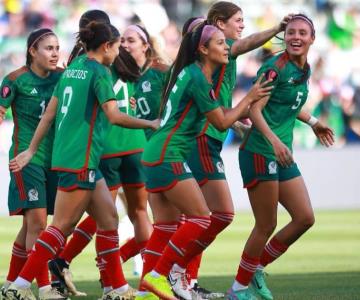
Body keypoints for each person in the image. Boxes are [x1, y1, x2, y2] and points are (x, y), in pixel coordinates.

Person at [6, 21, 158, 300]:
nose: (118, 51)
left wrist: (31, 149)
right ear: (106, 47)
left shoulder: (72, 70)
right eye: (116, 46)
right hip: (81, 159)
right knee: (61, 225)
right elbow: (114, 115)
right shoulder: (99, 72)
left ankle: (116, 287)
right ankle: (20, 285)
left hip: (74, 158)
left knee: (109, 219)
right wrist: (150, 123)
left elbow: (50, 113)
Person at [164, 3, 292, 299]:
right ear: (219, 25)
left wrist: (238, 128)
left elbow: (215, 105)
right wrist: (275, 29)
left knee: (202, 217)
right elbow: (244, 45)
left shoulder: (214, 61)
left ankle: (180, 277)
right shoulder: (219, 51)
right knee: (215, 215)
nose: (242, 26)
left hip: (207, 139)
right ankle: (170, 270)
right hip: (200, 141)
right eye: (238, 20)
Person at [138, 23, 273, 300]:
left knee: (164, 227)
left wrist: (239, 120)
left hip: (156, 153)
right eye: (221, 43)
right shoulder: (198, 77)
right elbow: (221, 122)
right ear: (203, 49)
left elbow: (217, 116)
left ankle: (147, 291)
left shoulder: (191, 74)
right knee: (200, 218)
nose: (227, 47)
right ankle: (159, 276)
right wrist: (249, 97)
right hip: (168, 155)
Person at [227, 14, 335, 300]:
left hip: (279, 151)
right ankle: (238, 290)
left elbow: (289, 102)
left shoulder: (304, 68)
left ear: (312, 39)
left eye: (302, 33)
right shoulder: (275, 67)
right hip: (260, 151)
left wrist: (313, 122)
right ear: (284, 37)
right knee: (266, 225)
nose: (296, 37)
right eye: (291, 32)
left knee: (304, 218)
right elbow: (254, 109)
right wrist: (274, 141)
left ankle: (256, 269)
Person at [0, 28, 67, 300]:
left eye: (57, 48)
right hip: (26, 159)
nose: (55, 53)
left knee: (32, 226)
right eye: (48, 48)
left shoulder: (63, 78)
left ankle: (12, 283)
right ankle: (44, 287)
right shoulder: (14, 80)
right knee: (38, 223)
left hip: (56, 158)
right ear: (32, 51)